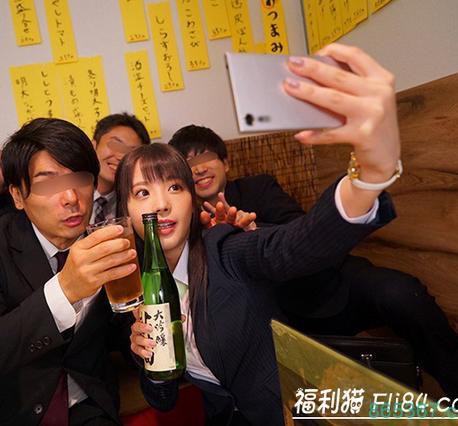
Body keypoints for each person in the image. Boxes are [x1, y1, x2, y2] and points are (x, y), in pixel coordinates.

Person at [126, 44, 403, 425]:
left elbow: (298, 244)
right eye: (142, 193)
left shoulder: (223, 248)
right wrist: (147, 359)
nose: (160, 204)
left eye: (174, 187)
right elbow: (163, 400)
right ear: (126, 211)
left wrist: (371, 173)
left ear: (192, 199)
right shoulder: (136, 288)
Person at [169, 128, 458, 405]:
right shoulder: (184, 225)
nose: (198, 168)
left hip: (330, 280)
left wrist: (252, 232)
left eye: (205, 156)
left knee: (403, 293)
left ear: (225, 162)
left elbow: (303, 229)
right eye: (187, 164)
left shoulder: (258, 188)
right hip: (281, 316)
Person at [0, 118, 138, 425]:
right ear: (18, 196)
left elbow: (120, 331)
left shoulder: (105, 244)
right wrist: (65, 290)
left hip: (85, 408)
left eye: (80, 178)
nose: (71, 198)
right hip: (2, 414)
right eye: (48, 183)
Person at [0, 113, 151, 223]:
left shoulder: (135, 202)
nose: (120, 156)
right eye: (115, 145)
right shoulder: (35, 192)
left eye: (131, 152)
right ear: (93, 145)